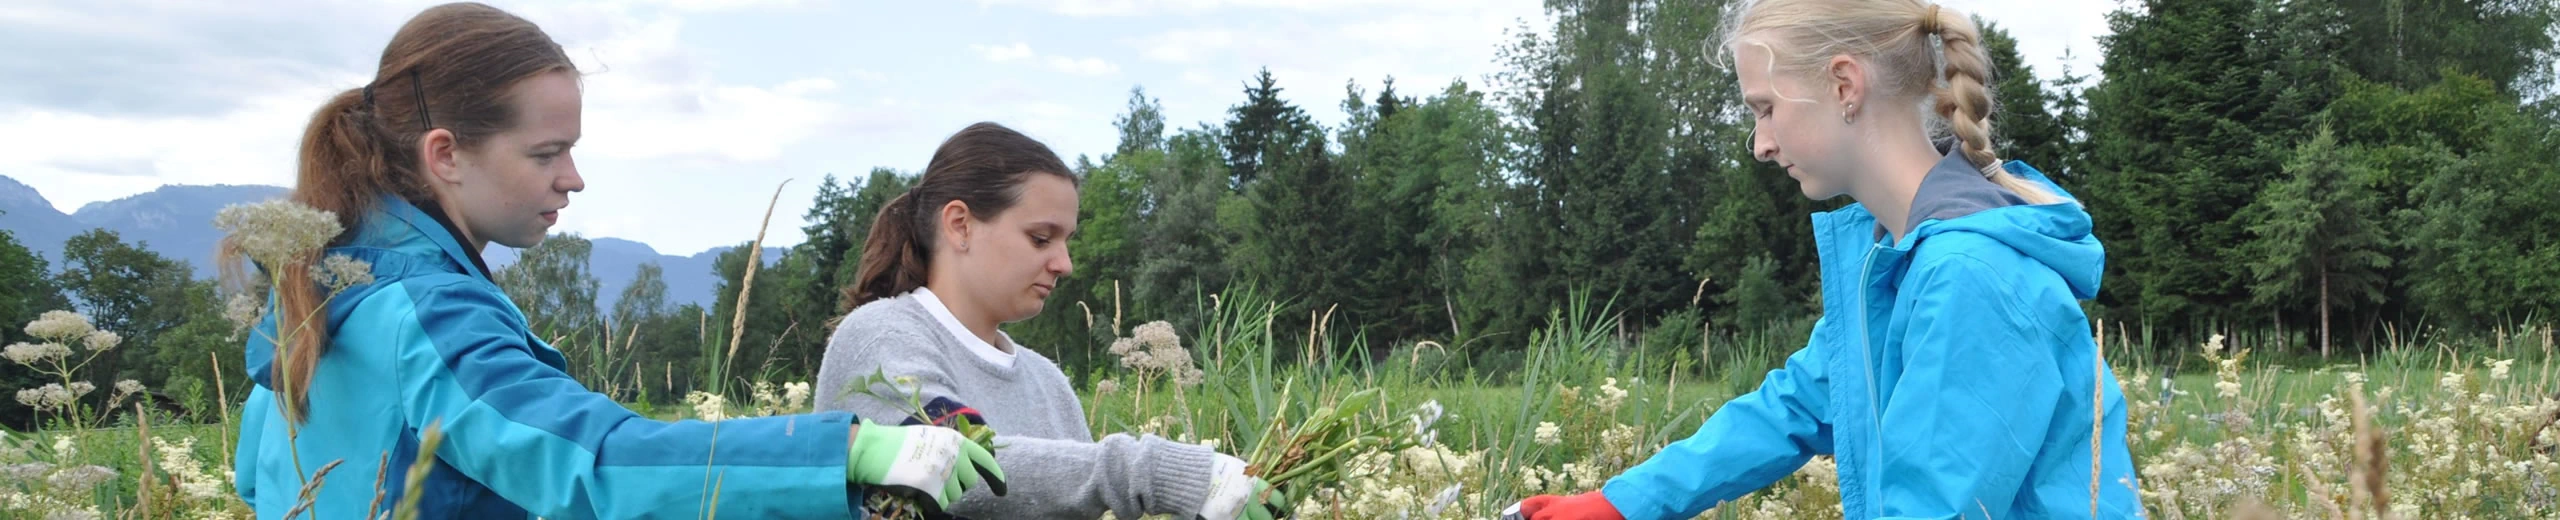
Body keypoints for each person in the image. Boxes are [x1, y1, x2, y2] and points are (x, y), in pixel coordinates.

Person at [226, 4, 999, 518]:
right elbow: (593, 463)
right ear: (446, 155)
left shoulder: (315, 302)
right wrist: (852, 450)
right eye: (547, 151)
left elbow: (262, 487)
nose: (572, 177)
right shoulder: (428, 315)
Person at [1509, 1, 2142, 518]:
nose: (1760, 144)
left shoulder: (1971, 275)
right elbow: (1794, 406)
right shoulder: (1894, 258)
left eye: (1765, 108)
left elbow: (1935, 511)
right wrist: (1618, 504)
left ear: (1844, 85)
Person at [814, 122, 1289, 520]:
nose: (1065, 263)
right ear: (959, 224)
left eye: (1066, 241)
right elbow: (955, 461)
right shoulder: (882, 334)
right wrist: (1159, 473)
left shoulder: (1048, 383)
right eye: (1041, 239)